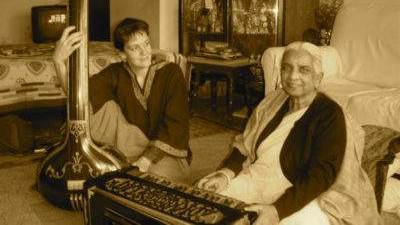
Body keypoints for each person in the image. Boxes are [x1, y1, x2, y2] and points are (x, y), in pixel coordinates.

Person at [197, 42, 382, 224]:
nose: (293, 76)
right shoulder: (272, 102)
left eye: (303, 70)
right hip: (259, 179)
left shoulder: (329, 115)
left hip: (310, 194)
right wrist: (225, 175)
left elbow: (320, 176)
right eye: (287, 68)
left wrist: (278, 211)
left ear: (318, 78)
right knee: (205, 198)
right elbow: (244, 146)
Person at [53, 18, 191, 183]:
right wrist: (59, 62)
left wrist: (146, 159)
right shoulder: (116, 72)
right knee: (99, 109)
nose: (145, 52)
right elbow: (79, 96)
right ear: (122, 54)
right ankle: (123, 166)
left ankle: (126, 168)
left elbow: (177, 125)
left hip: (165, 153)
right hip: (130, 147)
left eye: (146, 44)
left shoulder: (171, 72)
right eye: (135, 48)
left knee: (149, 182)